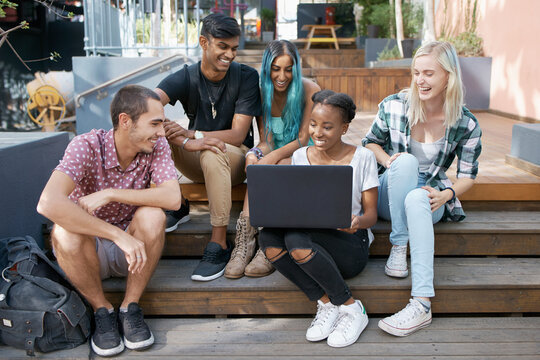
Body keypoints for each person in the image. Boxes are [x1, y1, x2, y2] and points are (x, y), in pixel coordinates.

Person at [36, 85, 181, 357]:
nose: (162, 132)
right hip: (89, 252)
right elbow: (48, 202)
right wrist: (118, 235)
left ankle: (130, 307)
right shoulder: (86, 145)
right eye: (155, 123)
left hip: (134, 255)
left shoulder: (157, 145)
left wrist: (111, 193)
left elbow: (173, 198)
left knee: (153, 215)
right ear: (125, 121)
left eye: (162, 124)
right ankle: (102, 311)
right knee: (64, 231)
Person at [362, 41, 482, 337]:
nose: (420, 80)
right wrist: (388, 160)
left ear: (448, 77)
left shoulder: (466, 123)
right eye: (416, 73)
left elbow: (467, 175)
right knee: (405, 163)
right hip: (390, 193)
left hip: (429, 200)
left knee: (418, 195)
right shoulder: (394, 105)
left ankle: (422, 303)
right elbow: (369, 143)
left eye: (429, 73)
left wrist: (447, 194)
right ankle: (399, 243)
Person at [259, 90, 379, 348]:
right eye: (313, 124)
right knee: (268, 236)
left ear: (344, 128)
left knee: (295, 238)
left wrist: (357, 222)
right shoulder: (301, 156)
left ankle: (351, 307)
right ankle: (326, 303)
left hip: (350, 244)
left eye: (327, 127)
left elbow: (371, 215)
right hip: (310, 239)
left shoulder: (363, 157)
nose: (317, 132)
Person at [154, 13, 262, 281]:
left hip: (233, 159)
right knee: (156, 132)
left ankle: (219, 243)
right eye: (222, 47)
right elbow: (147, 103)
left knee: (213, 151)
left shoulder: (246, 77)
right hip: (194, 158)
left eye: (234, 48)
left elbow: (237, 135)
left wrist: (192, 135)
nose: (230, 55)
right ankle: (175, 203)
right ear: (204, 42)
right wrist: (174, 133)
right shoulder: (187, 76)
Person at [224, 39, 321, 279]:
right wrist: (253, 154)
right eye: (276, 68)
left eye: (289, 69)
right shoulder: (263, 93)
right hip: (276, 161)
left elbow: (302, 139)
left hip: (305, 157)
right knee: (260, 168)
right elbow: (266, 141)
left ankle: (269, 246)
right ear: (267, 67)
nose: (282, 75)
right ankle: (244, 244)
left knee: (275, 167)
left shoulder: (310, 90)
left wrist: (272, 158)